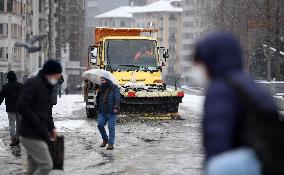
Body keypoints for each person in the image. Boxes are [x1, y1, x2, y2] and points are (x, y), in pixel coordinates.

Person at [192, 32, 278, 175]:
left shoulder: (220, 89)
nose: (196, 67)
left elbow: (217, 144)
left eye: (199, 61)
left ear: (211, 59)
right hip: (268, 162)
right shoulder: (248, 84)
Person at [17, 59, 62, 175]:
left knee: (33, 167)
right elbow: (22, 105)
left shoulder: (48, 87)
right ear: (51, 73)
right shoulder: (33, 83)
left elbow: (46, 111)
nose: (58, 77)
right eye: (57, 74)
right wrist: (38, 123)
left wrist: (51, 127)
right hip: (30, 133)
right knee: (46, 165)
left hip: (39, 132)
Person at [96, 77, 121, 150]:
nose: (102, 82)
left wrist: (116, 107)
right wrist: (97, 107)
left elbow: (117, 98)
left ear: (107, 80)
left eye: (103, 80)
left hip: (112, 112)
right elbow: (98, 99)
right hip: (102, 111)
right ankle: (105, 139)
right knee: (100, 125)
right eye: (101, 80)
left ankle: (110, 144)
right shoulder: (101, 88)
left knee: (111, 127)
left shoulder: (114, 87)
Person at [0, 71, 23, 146]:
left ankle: (13, 139)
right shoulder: (21, 85)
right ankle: (19, 138)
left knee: (12, 124)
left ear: (8, 78)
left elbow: (1, 97)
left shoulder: (5, 86)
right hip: (19, 108)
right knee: (19, 124)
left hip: (10, 108)